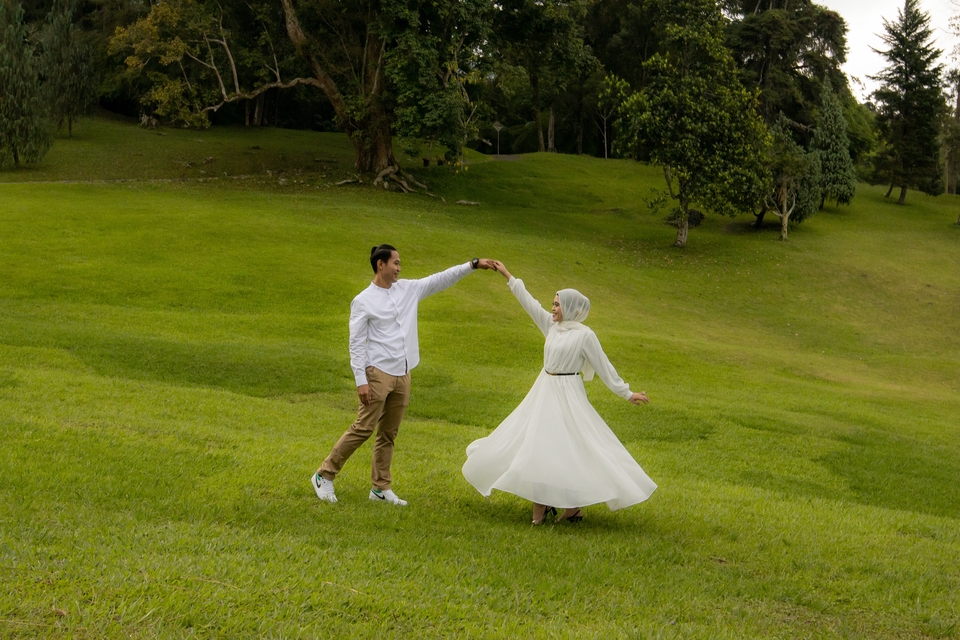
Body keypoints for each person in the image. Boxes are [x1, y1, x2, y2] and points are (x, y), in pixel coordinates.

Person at [462, 261, 657, 524]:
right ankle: (551, 508)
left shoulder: (585, 335)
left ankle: (567, 508)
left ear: (571, 308)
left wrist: (627, 393)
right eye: (553, 304)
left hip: (569, 394)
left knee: (569, 447)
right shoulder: (552, 326)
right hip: (544, 390)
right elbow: (529, 303)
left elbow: (604, 366)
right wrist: (508, 276)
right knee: (538, 445)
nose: (553, 308)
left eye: (557, 304)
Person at [312, 245, 496, 506]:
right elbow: (356, 343)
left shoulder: (408, 289)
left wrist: (473, 264)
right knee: (363, 428)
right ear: (381, 265)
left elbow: (440, 279)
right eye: (395, 263)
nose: (399, 268)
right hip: (377, 373)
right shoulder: (363, 300)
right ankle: (324, 475)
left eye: (399, 263)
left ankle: (380, 488)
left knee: (389, 433)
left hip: (403, 372)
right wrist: (361, 381)